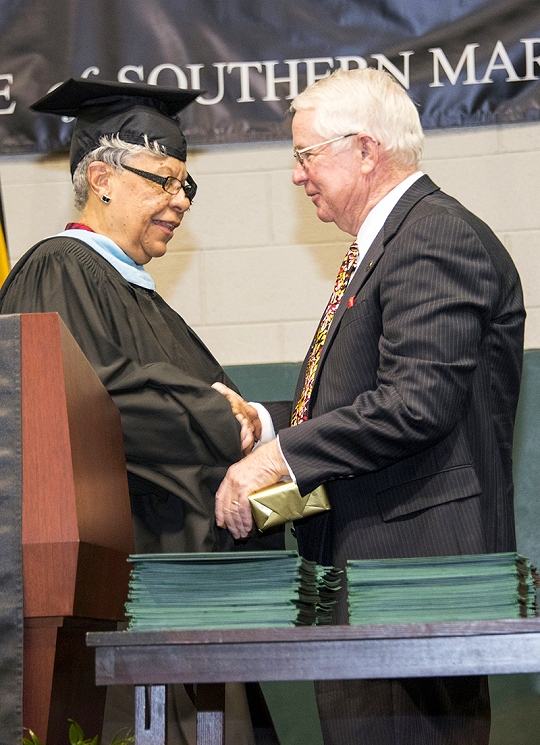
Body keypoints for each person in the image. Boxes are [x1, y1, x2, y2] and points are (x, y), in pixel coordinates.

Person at [214, 68, 526, 745]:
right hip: (378, 580)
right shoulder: (394, 242)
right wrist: (266, 422)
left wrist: (279, 455)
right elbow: (367, 395)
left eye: (305, 154)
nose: (297, 176)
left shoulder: (432, 236)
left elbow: (415, 402)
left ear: (365, 149)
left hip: (413, 582)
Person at [0, 77, 277, 745]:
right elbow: (102, 399)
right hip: (124, 602)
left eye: (188, 187)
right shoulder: (58, 270)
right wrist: (225, 419)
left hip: (183, 598)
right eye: (164, 180)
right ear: (103, 175)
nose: (180, 201)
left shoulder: (139, 296)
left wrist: (253, 429)